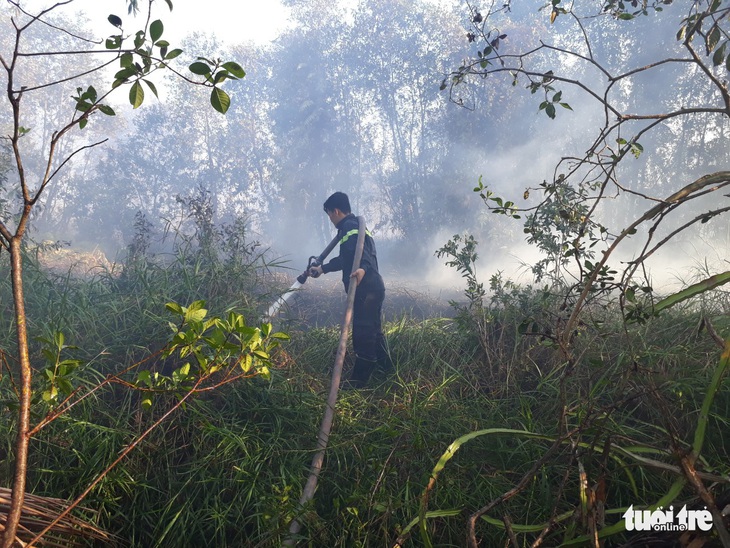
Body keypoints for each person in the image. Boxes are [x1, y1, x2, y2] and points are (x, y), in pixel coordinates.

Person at [308, 191, 392, 388]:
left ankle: (359, 380)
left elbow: (361, 253)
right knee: (374, 330)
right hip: (374, 287)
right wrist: (322, 268)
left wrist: (362, 267)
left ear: (336, 211)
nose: (330, 219)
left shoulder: (350, 226)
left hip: (366, 288)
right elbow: (347, 257)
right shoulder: (354, 226)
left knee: (363, 332)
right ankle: (387, 369)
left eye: (329, 215)